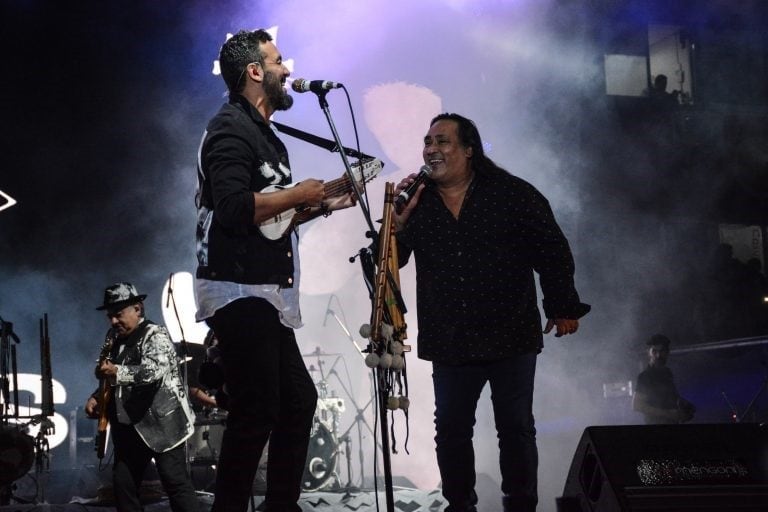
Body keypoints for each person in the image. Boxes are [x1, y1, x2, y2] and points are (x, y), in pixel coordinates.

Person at [393, 113, 590, 512]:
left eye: (442, 141)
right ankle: (459, 505)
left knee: (515, 429)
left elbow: (551, 250)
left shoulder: (512, 194)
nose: (431, 149)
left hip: (509, 332)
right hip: (449, 336)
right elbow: (385, 266)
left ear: (469, 150)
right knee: (450, 431)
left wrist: (562, 305)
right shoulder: (417, 202)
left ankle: (520, 505)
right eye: (428, 142)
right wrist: (393, 227)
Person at [194, 29, 356, 512]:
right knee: (256, 409)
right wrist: (298, 194)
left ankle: (280, 506)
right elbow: (231, 208)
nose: (289, 69)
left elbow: (271, 219)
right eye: (279, 60)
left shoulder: (266, 135)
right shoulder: (229, 129)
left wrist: (324, 204)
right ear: (255, 72)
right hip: (235, 289)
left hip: (265, 290)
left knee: (297, 402)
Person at [85, 282, 198, 512]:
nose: (113, 322)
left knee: (174, 482)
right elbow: (111, 373)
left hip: (163, 424)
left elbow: (152, 372)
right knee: (123, 486)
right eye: (110, 316)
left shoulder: (155, 335)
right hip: (129, 426)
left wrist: (117, 371)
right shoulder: (113, 338)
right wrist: (97, 396)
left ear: (138, 308)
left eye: (118, 315)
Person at [632, 334, 695, 424]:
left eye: (662, 351)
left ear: (667, 352)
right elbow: (637, 405)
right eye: (654, 351)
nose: (658, 355)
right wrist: (669, 414)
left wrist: (685, 404)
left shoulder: (667, 373)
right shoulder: (645, 376)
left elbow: (671, 397)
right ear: (648, 353)